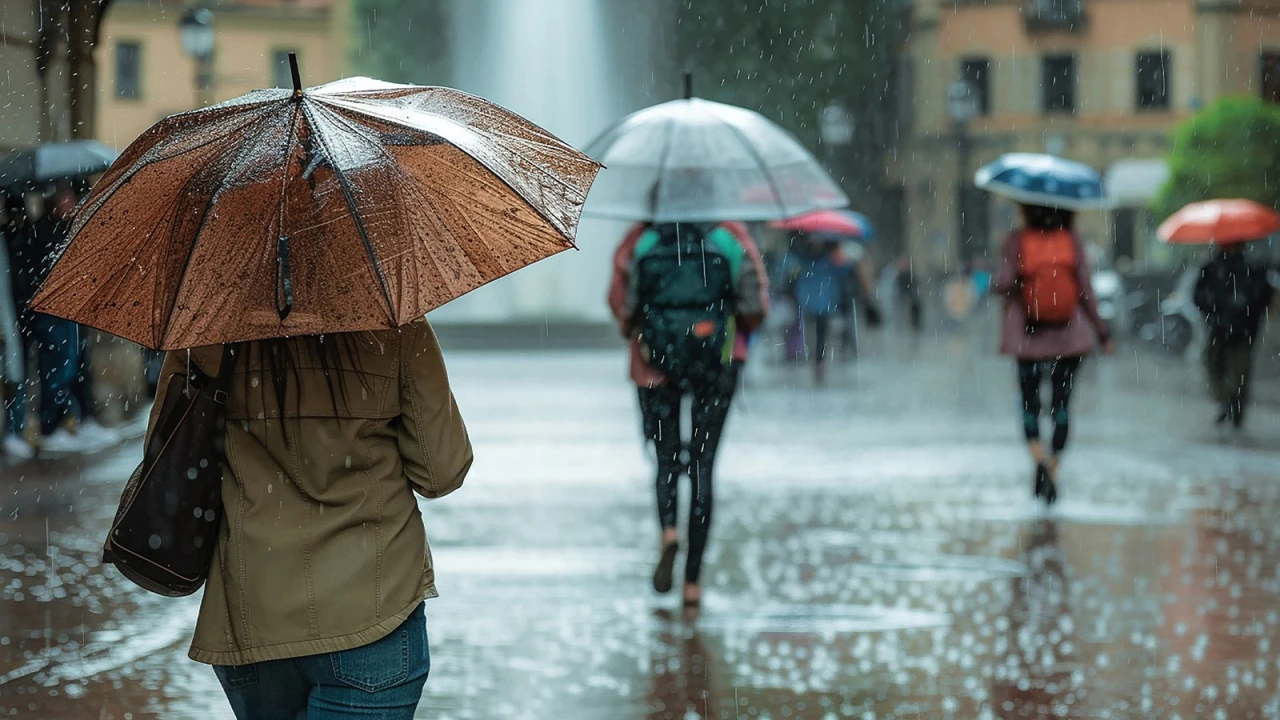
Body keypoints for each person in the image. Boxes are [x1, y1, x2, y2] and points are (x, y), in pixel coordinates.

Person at [149, 320, 472, 718]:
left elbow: (167, 461)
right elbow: (441, 473)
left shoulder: (204, 326)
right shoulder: (394, 323)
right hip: (371, 606)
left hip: (253, 611)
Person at [608, 218, 767, 608]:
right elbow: (755, 306)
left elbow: (621, 305)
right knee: (703, 466)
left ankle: (668, 534)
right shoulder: (731, 237)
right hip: (716, 364)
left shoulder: (640, 238)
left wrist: (655, 324)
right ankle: (693, 582)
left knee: (665, 461)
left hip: (654, 366)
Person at [994, 204, 1113, 504]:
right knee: (1062, 406)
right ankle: (1053, 466)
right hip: (1068, 337)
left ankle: (1038, 460)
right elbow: (1086, 290)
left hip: (1027, 338)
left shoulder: (1016, 240)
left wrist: (1021, 275)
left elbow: (1001, 284)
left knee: (1028, 405)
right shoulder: (1071, 239)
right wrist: (1102, 332)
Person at [8, 184, 96, 453]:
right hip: (50, 311)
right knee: (56, 370)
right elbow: (39, 272)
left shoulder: (60, 229)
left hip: (62, 310)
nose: (71, 203)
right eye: (66, 198)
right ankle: (50, 426)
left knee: (66, 368)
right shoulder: (43, 231)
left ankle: (63, 421)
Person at [1193, 244, 1273, 429]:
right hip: (1218, 329)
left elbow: (1262, 297)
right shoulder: (1211, 269)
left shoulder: (1251, 269)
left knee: (1240, 371)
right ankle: (1225, 401)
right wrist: (1213, 313)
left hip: (1242, 330)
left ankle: (1235, 407)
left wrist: (1246, 313)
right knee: (1213, 364)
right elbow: (1199, 296)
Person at [780, 233, 854, 381]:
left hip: (822, 303)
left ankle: (818, 360)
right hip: (810, 302)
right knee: (812, 333)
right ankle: (816, 358)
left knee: (820, 333)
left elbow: (845, 271)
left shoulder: (826, 259)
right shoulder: (803, 259)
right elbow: (789, 273)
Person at [0, 195, 28, 459]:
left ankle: (14, 431)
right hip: (8, 320)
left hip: (11, 319)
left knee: (14, 375)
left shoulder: (9, 238)